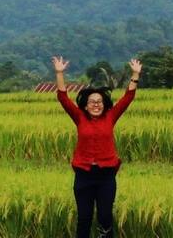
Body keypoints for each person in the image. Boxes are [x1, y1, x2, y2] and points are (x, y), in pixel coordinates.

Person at [53, 56, 140, 238]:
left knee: (105, 216)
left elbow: (128, 98)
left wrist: (135, 74)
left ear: (104, 104)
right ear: (85, 105)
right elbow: (63, 97)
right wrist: (59, 72)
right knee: (84, 218)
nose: (96, 104)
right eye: (92, 102)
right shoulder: (79, 118)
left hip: (106, 176)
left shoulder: (111, 116)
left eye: (99, 101)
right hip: (84, 176)